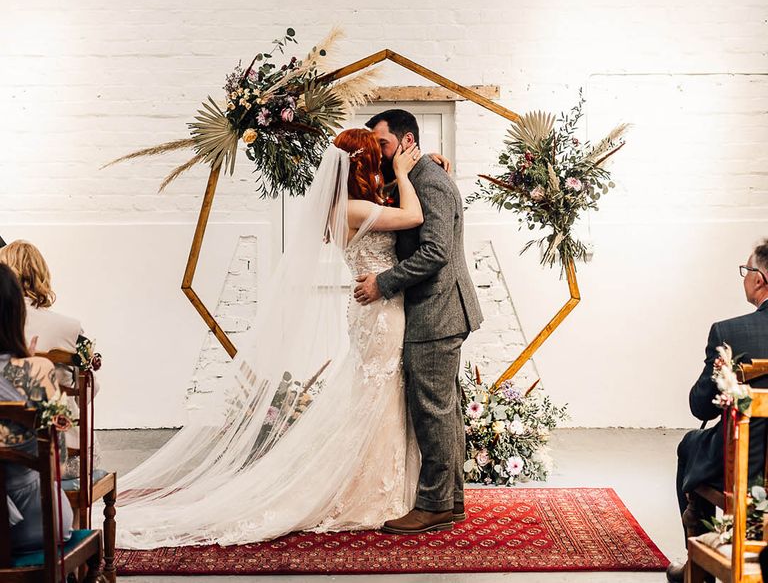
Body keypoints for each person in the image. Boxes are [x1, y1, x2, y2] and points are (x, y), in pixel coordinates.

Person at [115, 128, 434, 547]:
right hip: (379, 314)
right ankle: (369, 490)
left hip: (372, 310)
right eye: (378, 156)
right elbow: (413, 217)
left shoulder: (349, 206)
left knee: (378, 396)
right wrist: (404, 172)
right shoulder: (353, 208)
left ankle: (387, 484)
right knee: (379, 395)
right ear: (365, 164)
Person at [354, 109, 483, 534]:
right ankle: (452, 501)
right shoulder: (419, 175)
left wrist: (383, 284)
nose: (378, 152)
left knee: (433, 410)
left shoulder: (430, 181)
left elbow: (435, 253)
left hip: (438, 309)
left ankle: (434, 506)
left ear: (407, 142)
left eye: (384, 144)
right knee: (443, 408)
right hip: (434, 308)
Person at [667, 240, 768, 583]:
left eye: (746, 270)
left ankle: (698, 562)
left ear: (760, 279)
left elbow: (700, 404)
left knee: (691, 443)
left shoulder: (730, 332)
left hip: (749, 466)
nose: (744, 278)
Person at [0, 240, 98, 478]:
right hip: (65, 452)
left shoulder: (4, 326)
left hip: (6, 448)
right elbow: (90, 390)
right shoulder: (70, 328)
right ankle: (71, 515)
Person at [0, 262, 74, 553]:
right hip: (38, 525)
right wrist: (26, 364)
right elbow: (60, 463)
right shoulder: (37, 371)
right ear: (15, 314)